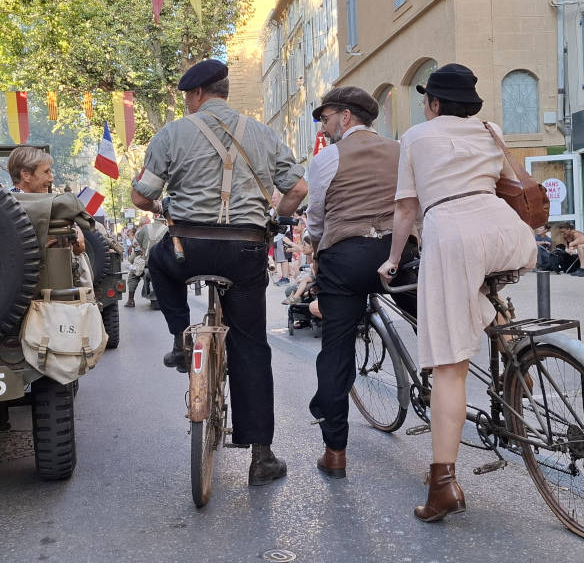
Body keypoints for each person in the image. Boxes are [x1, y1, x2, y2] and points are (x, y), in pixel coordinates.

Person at [131, 59, 307, 486]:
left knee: (158, 261)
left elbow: (141, 195)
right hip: (245, 250)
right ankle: (261, 456)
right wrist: (275, 218)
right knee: (251, 345)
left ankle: (180, 336)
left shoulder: (172, 133)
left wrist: (161, 208)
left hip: (187, 247)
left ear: (195, 95)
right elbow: (298, 189)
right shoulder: (264, 134)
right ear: (224, 91)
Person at [377, 63, 537, 522]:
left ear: (433, 103)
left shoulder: (416, 137)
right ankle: (516, 347)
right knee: (475, 297)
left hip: (454, 236)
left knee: (449, 366)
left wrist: (392, 259)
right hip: (508, 232)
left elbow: (407, 207)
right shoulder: (491, 128)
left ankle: (443, 484)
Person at [305, 86, 418, 481]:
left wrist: (314, 248)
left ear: (346, 117)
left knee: (336, 349)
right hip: (398, 252)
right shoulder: (402, 149)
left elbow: (317, 217)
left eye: (326, 117)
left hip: (347, 257)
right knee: (431, 320)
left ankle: (335, 451)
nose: (325, 125)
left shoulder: (327, 159)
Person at [125, 213, 167, 307]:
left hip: (145, 263)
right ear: (164, 220)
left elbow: (135, 244)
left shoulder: (145, 228)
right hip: (161, 264)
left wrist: (136, 255)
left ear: (154, 219)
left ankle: (130, 300)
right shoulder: (167, 230)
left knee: (133, 275)